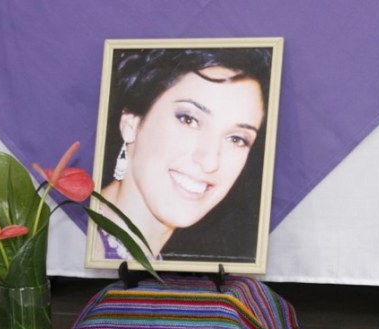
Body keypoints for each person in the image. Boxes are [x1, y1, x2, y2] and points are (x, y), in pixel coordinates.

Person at [93, 47, 273, 261]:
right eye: (189, 120)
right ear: (131, 122)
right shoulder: (74, 245)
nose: (209, 162)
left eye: (236, 139)